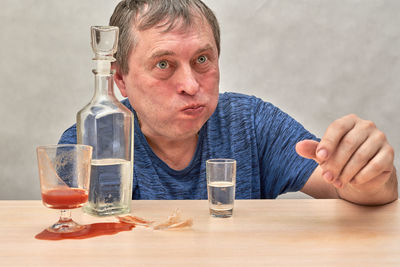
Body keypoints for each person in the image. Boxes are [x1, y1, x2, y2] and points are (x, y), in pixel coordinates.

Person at [59, 0, 397, 205]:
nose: (191, 85)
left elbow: (348, 193)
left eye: (203, 59)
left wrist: (370, 177)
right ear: (120, 79)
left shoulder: (250, 123)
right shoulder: (88, 144)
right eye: (163, 64)